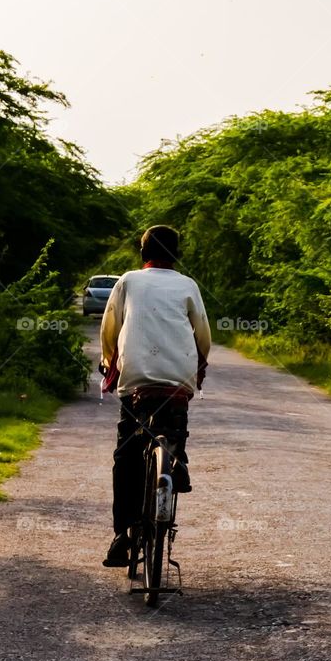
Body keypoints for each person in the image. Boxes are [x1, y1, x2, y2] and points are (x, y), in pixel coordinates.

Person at [99, 225, 211, 568]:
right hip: (178, 380)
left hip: (136, 380)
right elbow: (203, 333)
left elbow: (109, 327)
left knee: (127, 454)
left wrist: (109, 361)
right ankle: (177, 457)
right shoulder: (187, 285)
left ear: (142, 252)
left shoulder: (128, 281)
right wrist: (200, 364)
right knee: (174, 425)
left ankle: (122, 536)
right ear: (177, 254)